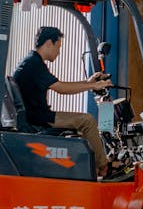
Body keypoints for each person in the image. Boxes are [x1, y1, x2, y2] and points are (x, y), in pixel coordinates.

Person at [12, 26, 112, 178]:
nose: (59, 52)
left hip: (36, 115)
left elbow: (60, 85)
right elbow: (61, 88)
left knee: (83, 127)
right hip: (39, 119)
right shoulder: (34, 64)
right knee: (88, 121)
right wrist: (93, 85)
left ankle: (91, 167)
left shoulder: (31, 61)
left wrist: (88, 82)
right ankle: (104, 167)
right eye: (58, 47)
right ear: (48, 44)